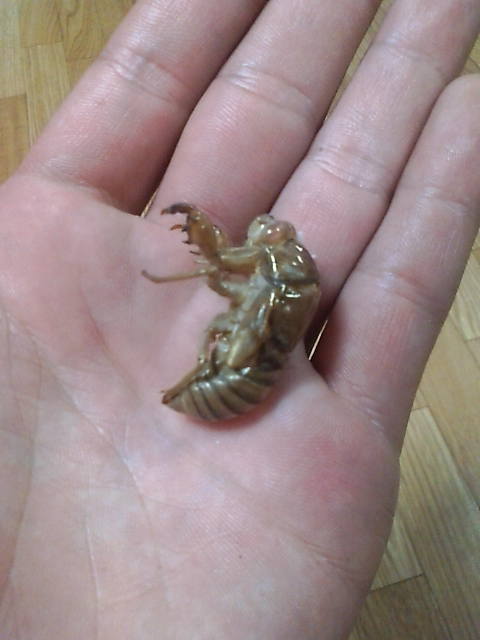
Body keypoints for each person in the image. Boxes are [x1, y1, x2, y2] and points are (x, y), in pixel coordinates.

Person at [0, 0, 478, 637]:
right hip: (232, 372)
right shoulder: (276, 285)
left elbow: (223, 270)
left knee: (228, 319)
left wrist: (215, 265)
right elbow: (226, 275)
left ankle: (213, 367)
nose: (266, 232)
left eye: (273, 236)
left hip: (229, 373)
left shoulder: (270, 282)